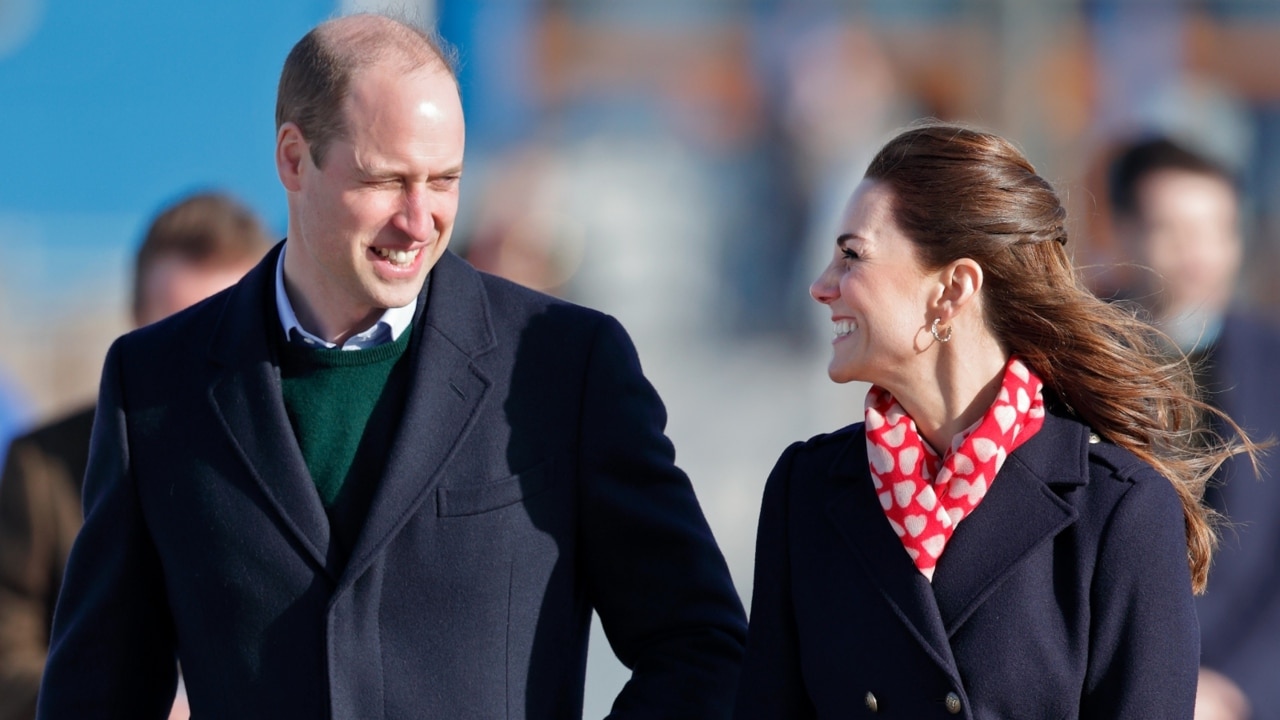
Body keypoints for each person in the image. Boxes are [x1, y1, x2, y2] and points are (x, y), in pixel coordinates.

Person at [38, 14, 746, 720]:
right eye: (386, 181)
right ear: (293, 158)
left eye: (444, 179)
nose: (419, 219)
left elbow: (701, 645)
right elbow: (94, 693)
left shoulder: (565, 365)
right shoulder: (156, 385)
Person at [733, 123, 1258, 719]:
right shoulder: (807, 489)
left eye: (851, 256)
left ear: (952, 289)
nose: (821, 286)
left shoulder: (1120, 511)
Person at [0, 192, 272, 720]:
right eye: (173, 331)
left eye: (219, 333)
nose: (198, 361)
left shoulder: (296, 462)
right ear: (133, 326)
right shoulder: (44, 469)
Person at [1108, 136, 1280, 720]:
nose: (1199, 254)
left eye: (1216, 231)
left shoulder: (1272, 365)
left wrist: (1235, 688)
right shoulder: (1068, 357)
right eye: (1174, 231)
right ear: (1126, 232)